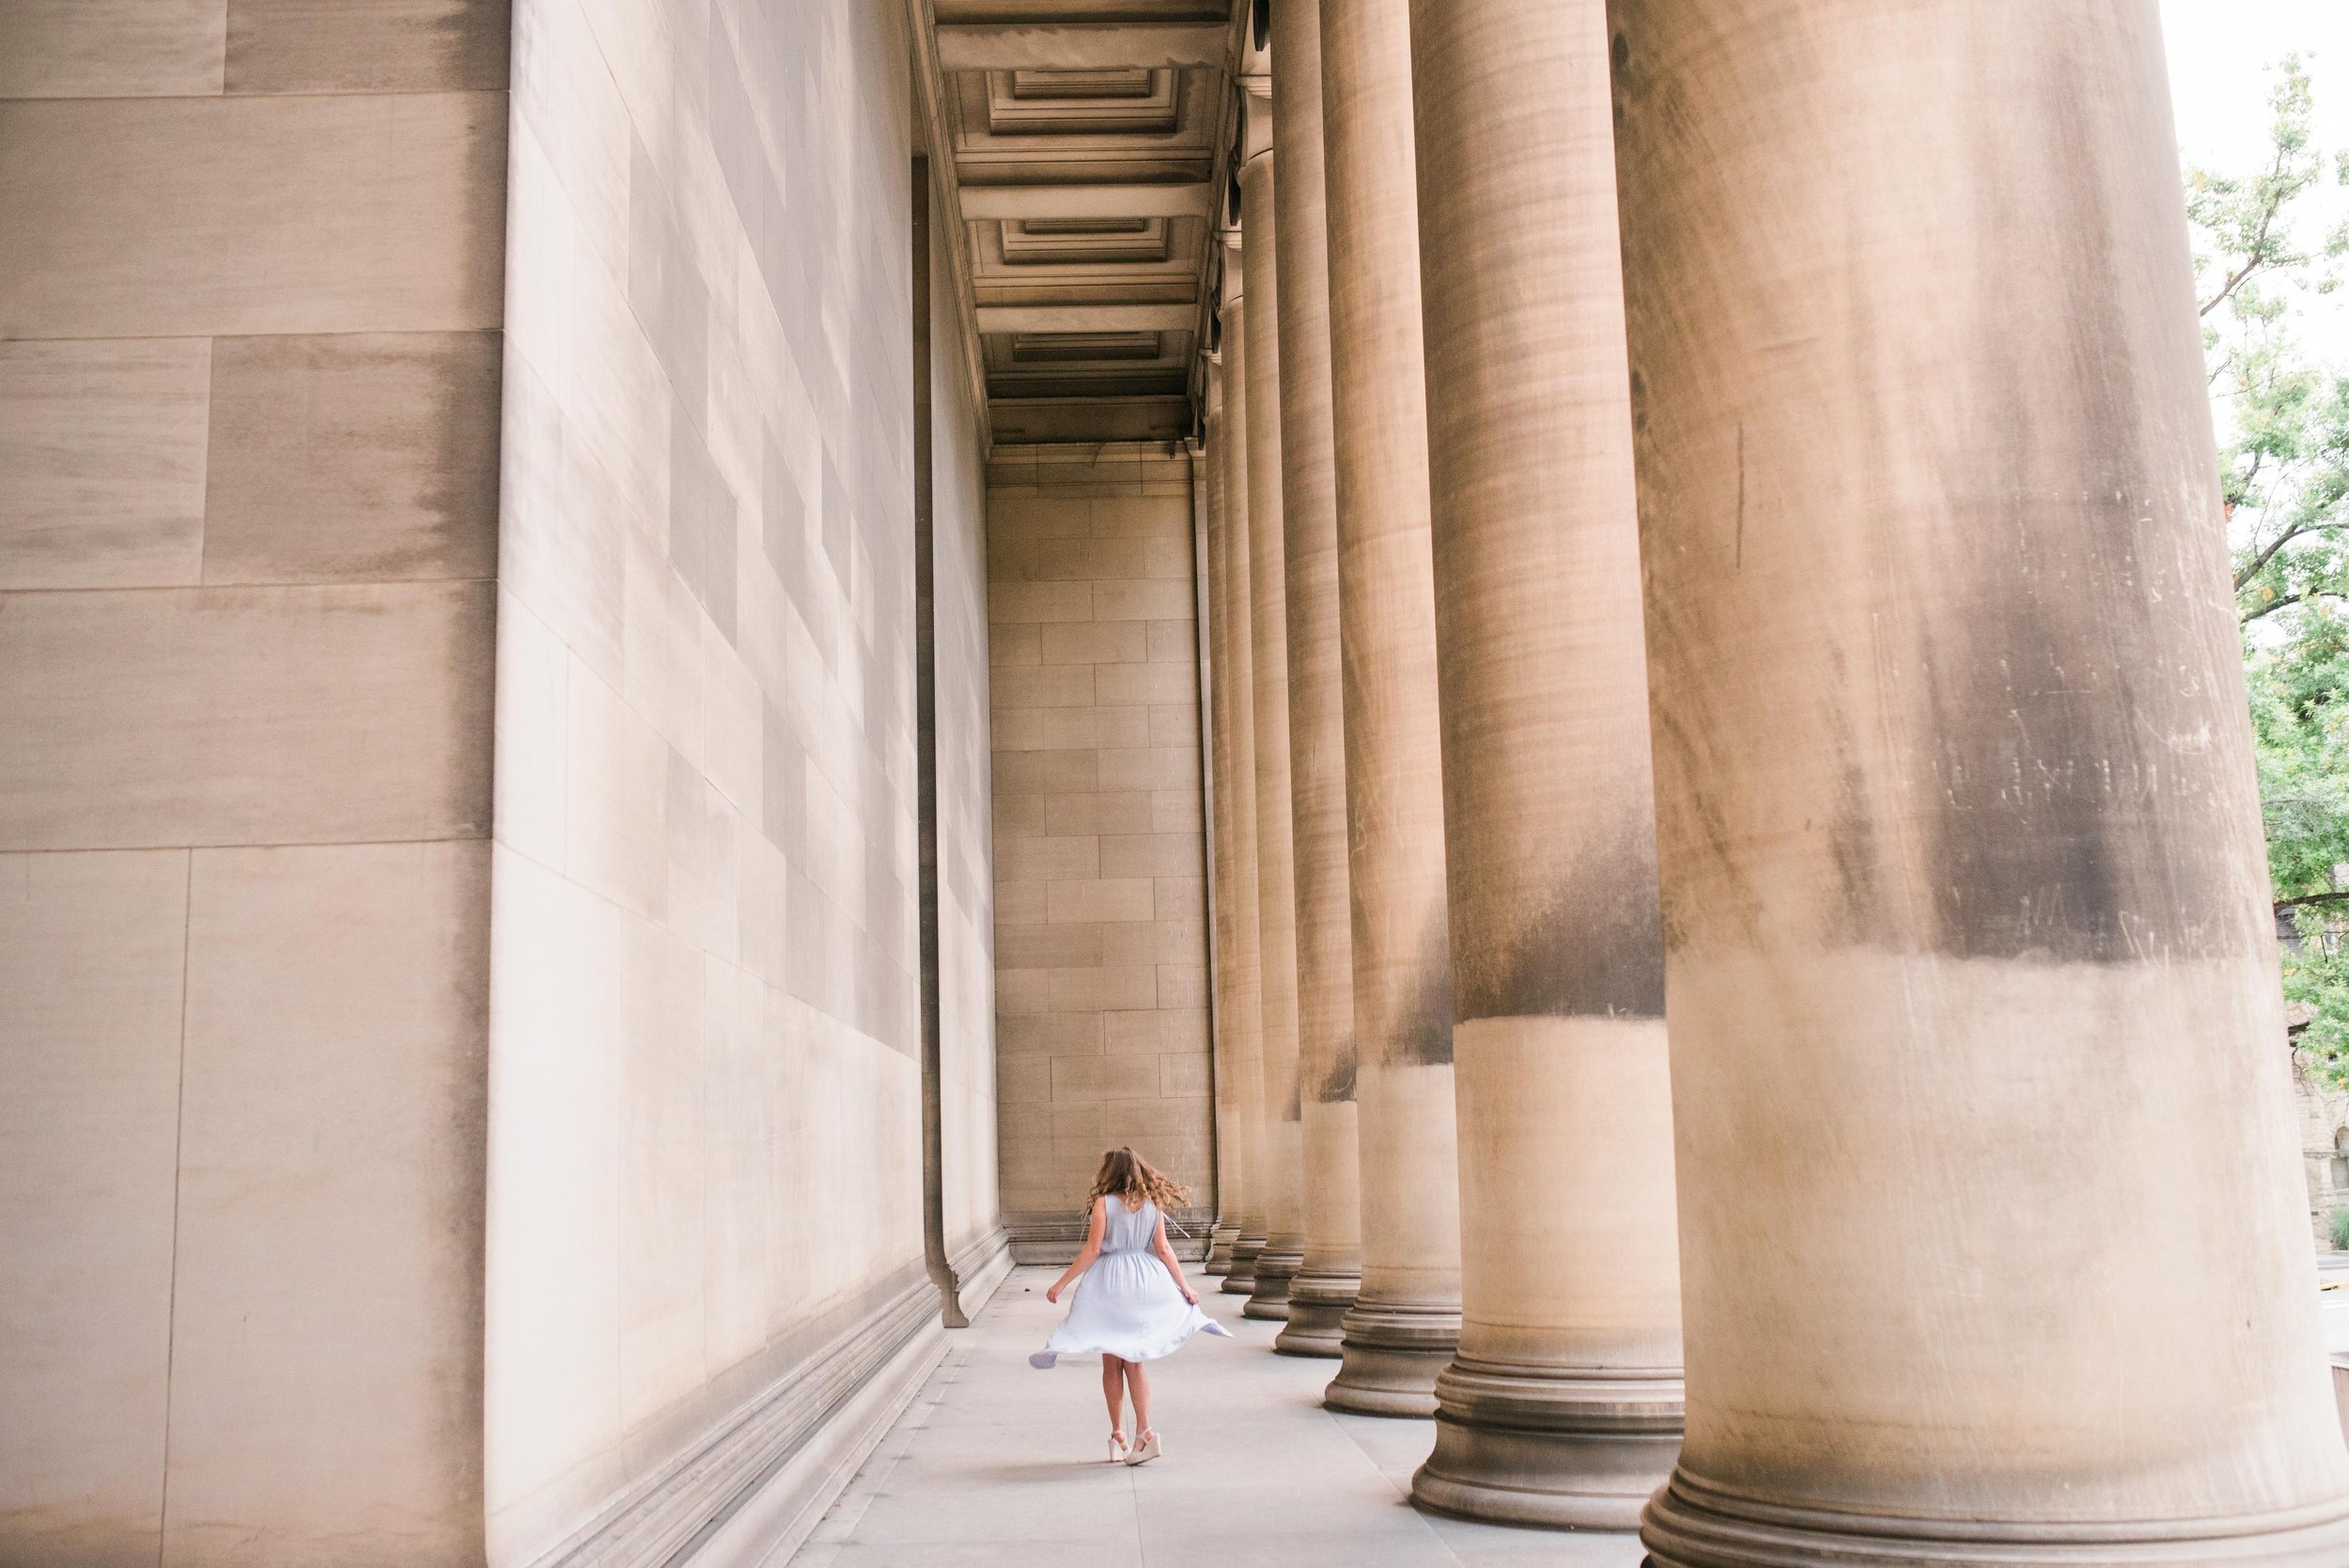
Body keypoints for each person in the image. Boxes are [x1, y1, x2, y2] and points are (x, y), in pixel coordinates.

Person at [1029, 1147, 1233, 1464]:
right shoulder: (1151, 1203)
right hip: (1143, 1280)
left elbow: (1093, 1250)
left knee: (1111, 1362)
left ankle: (1117, 1435)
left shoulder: (1104, 1203)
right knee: (1135, 1360)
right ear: (1139, 1172)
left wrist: (1062, 1282)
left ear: (1109, 1173)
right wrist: (1185, 1286)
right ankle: (1144, 1431)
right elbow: (1163, 1250)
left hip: (1110, 1284)